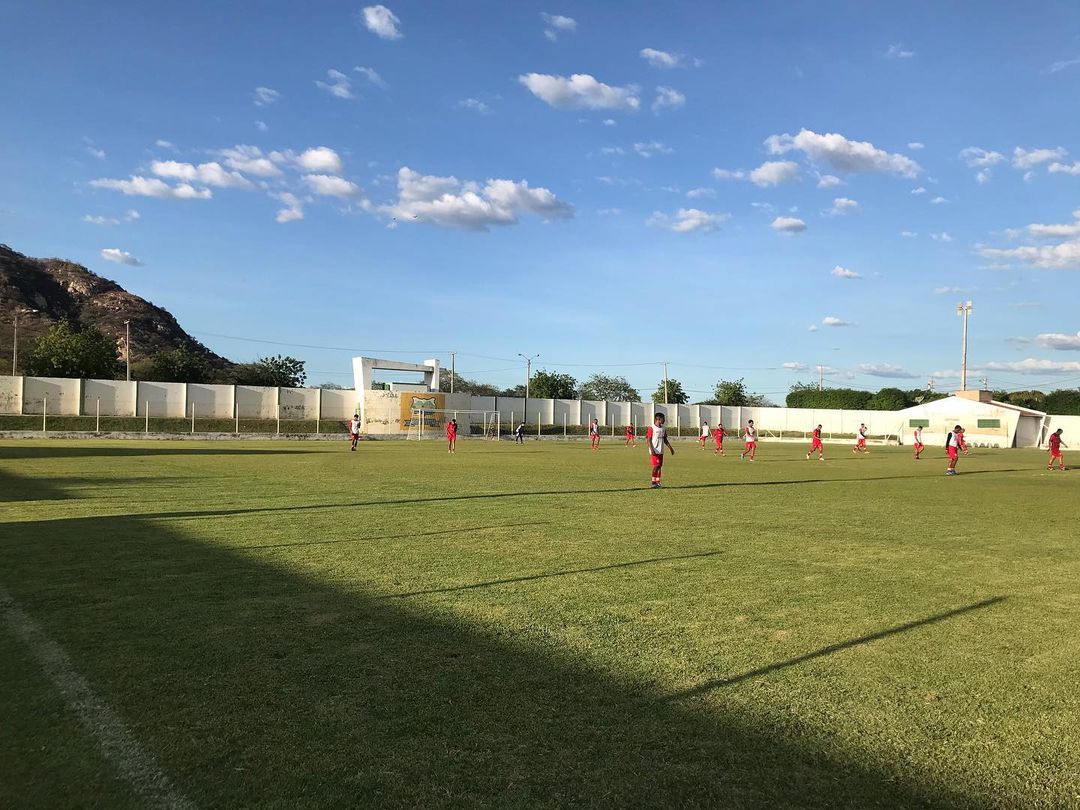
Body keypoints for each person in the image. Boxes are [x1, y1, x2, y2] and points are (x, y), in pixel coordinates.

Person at [646, 412, 675, 488]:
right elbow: (648, 440)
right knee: (656, 466)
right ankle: (653, 483)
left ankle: (658, 482)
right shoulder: (651, 428)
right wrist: (652, 449)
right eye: (663, 418)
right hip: (654, 450)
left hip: (661, 450)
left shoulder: (663, 428)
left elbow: (665, 439)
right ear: (658, 419)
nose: (664, 420)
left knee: (659, 466)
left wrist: (670, 448)